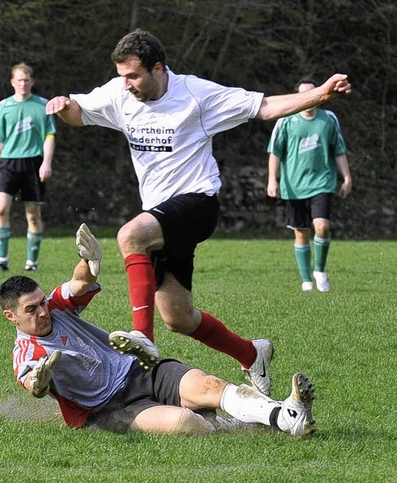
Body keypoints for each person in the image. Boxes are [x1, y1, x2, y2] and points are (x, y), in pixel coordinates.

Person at [45, 29, 351, 396]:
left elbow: (265, 106)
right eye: (122, 75)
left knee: (130, 235)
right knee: (178, 318)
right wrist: (64, 108)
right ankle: (253, 354)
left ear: (159, 68)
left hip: (198, 203)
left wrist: (321, 94)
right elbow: (81, 113)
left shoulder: (196, 95)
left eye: (133, 76)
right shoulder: (119, 93)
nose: (125, 84)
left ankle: (142, 336)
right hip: (160, 216)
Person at [0, 223, 316, 436]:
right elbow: (32, 385)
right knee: (186, 424)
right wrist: (40, 381)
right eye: (31, 309)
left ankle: (287, 417)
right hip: (108, 409)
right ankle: (242, 423)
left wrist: (88, 259)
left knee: (210, 385)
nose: (42, 311)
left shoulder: (55, 305)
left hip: (139, 370)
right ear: (11, 317)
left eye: (40, 302)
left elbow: (80, 283)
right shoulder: (25, 353)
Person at [266, 79, 352, 293]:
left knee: (322, 226)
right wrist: (272, 179)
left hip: (322, 182)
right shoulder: (286, 120)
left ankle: (320, 271)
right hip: (294, 185)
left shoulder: (329, 119)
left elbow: (338, 150)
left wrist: (347, 178)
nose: (308, 98)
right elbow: (275, 152)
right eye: (303, 94)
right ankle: (306, 280)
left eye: (312, 93)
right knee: (301, 233)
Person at [0, 63, 56, 272]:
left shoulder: (43, 105)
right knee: (1, 209)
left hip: (33, 163)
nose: (23, 83)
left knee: (32, 214)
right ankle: (1, 260)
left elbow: (49, 135)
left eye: (26, 80)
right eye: (19, 80)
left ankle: (32, 262)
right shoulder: (3, 106)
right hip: (8, 163)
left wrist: (46, 162)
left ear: (32, 82)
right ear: (12, 82)